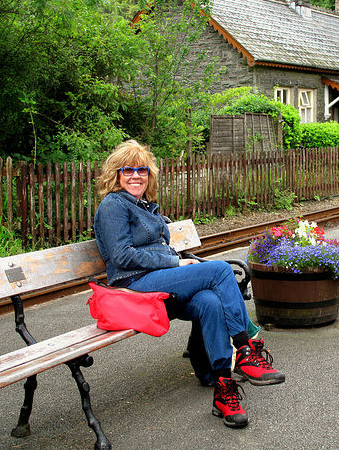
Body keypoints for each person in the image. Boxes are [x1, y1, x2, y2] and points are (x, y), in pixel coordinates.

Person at [93, 140, 285, 429]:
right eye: (128, 170)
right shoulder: (113, 205)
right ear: (116, 174)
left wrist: (174, 259)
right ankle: (246, 350)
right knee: (220, 271)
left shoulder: (145, 205)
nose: (136, 176)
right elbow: (121, 256)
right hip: (132, 286)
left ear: (150, 174)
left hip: (156, 281)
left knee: (209, 301)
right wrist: (175, 263)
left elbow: (157, 245)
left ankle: (223, 387)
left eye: (142, 170)